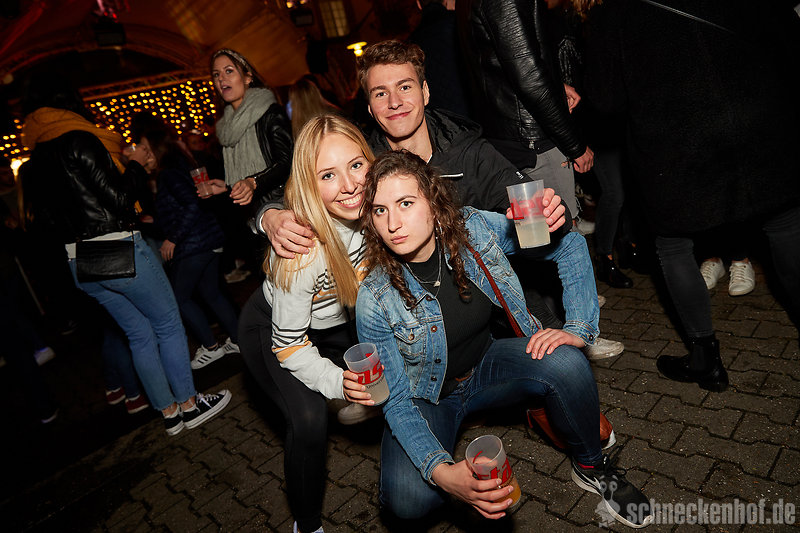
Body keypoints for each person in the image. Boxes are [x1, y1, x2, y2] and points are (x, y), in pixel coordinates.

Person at [260, 40, 624, 360]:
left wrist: (550, 214)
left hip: (478, 284)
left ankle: (567, 337)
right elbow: (299, 189)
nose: (395, 102)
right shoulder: (363, 161)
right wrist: (270, 216)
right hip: (408, 308)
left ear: (425, 92)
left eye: (405, 87)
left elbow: (528, 207)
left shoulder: (468, 152)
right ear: (369, 108)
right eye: (380, 93)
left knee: (549, 337)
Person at [353, 150, 652, 528]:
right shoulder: (375, 297)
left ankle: (591, 466)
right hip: (429, 397)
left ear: (432, 201)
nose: (393, 223)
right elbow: (394, 400)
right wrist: (444, 473)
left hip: (487, 366)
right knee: (408, 499)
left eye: (406, 203)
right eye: (380, 210)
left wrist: (578, 328)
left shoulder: (473, 229)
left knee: (566, 360)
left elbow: (570, 245)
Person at [581, 0, 800, 391]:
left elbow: (607, 99)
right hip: (760, 128)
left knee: (673, 245)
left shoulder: (615, 11)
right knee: (784, 224)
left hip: (677, 147)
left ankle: (706, 360)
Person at [21, 80, 231, 435]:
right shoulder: (79, 139)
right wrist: (133, 165)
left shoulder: (36, 160)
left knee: (138, 333)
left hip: (78, 257)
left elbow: (44, 223)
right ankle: (190, 404)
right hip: (116, 246)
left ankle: (169, 413)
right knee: (168, 323)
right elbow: (119, 200)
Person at [237, 115, 369, 533]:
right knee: (310, 421)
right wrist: (337, 382)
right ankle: (307, 525)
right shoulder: (302, 248)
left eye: (356, 165)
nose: (348, 185)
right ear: (310, 184)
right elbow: (290, 344)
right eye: (328, 175)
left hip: (336, 323)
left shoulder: (381, 210)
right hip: (275, 331)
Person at [458, 0, 595, 222]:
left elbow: (500, 63)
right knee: (562, 235)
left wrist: (555, 87)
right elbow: (528, 77)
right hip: (534, 142)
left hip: (508, 137)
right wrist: (574, 145)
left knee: (536, 234)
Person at [136, 117, 241, 370]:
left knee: (178, 298)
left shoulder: (168, 173)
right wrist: (156, 221)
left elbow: (192, 203)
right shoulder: (177, 168)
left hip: (196, 245)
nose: (143, 153)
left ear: (157, 149)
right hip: (208, 239)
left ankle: (211, 347)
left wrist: (172, 238)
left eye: (145, 148)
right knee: (211, 293)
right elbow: (184, 206)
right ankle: (239, 339)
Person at [209, 48, 294, 282]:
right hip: (251, 218)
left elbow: (288, 161)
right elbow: (244, 172)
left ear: (247, 77)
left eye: (229, 71)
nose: (222, 79)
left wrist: (253, 182)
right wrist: (227, 186)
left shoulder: (269, 113)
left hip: (281, 209)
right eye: (216, 74)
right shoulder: (227, 126)